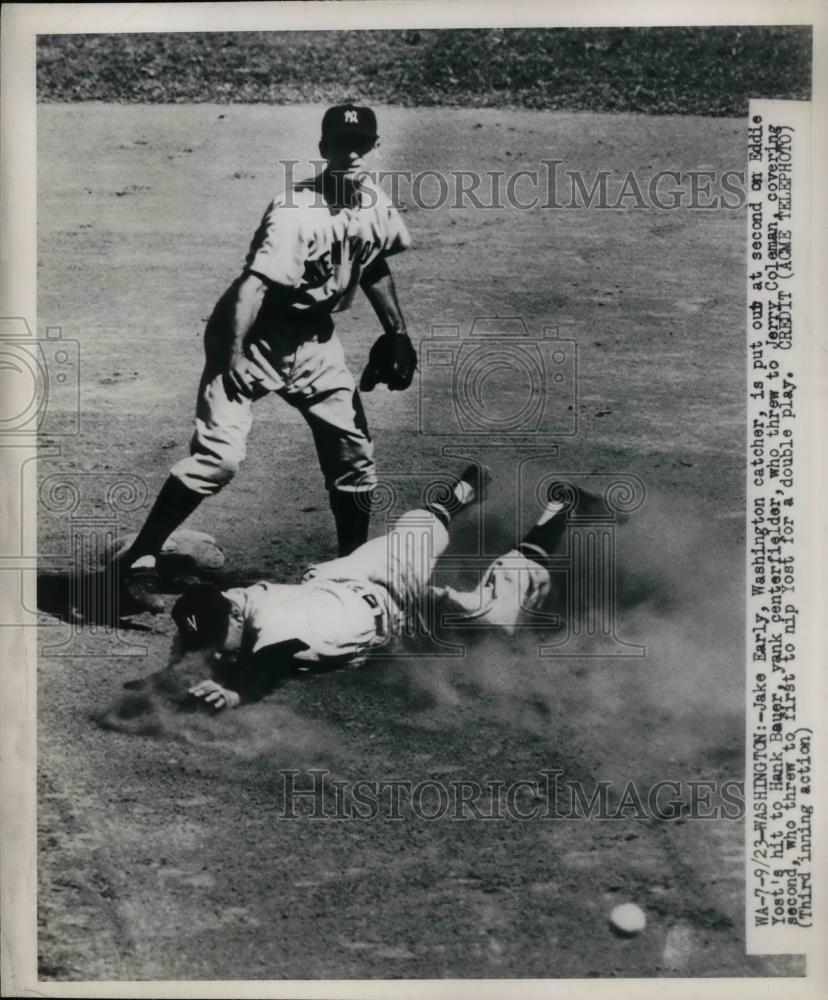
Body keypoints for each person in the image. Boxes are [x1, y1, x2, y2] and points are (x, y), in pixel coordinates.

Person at [112, 103, 416, 615]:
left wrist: (399, 332)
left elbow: (374, 261)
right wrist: (231, 355)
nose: (352, 153)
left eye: (361, 144)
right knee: (219, 459)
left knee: (353, 457)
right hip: (254, 331)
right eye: (341, 145)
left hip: (317, 340)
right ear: (323, 150)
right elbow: (253, 287)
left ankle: (350, 572)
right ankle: (137, 558)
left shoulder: (373, 202)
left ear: (375, 147)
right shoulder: (293, 210)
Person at [171, 465, 579, 712]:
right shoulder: (233, 602)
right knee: (420, 532)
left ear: (237, 612)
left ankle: (562, 508)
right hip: (353, 577)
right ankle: (465, 491)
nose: (211, 648)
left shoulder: (279, 625)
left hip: (391, 593)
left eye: (215, 636)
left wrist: (233, 692)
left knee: (498, 619)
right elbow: (201, 627)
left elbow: (272, 662)